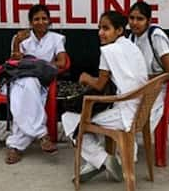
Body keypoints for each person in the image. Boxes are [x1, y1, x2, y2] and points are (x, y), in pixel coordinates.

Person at [61, 11, 148, 183]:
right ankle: (99, 161)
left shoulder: (108, 50)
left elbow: (100, 84)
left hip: (124, 114)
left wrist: (85, 78)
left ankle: (102, 160)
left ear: (119, 30)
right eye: (99, 28)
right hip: (139, 110)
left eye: (106, 28)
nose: (100, 32)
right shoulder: (131, 46)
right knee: (88, 115)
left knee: (70, 118)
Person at [4, 4, 68, 165]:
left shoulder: (56, 39)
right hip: (19, 80)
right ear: (31, 22)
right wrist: (17, 42)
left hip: (41, 82)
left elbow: (61, 62)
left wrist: (40, 65)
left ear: (49, 21)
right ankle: (42, 135)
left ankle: (16, 146)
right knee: (26, 87)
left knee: (28, 90)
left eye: (44, 18)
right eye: (36, 19)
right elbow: (14, 61)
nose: (40, 22)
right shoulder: (21, 37)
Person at [128, 1, 169, 132]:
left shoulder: (156, 36)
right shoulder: (132, 38)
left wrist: (145, 78)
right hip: (146, 85)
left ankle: (132, 141)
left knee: (139, 115)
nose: (134, 23)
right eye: (132, 18)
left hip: (166, 87)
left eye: (140, 19)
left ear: (148, 21)